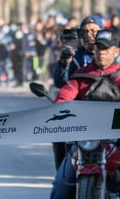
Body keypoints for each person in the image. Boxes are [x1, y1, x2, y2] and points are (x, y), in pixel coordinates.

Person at [50, 29, 120, 199]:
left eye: (106, 48)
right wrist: (57, 110)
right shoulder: (82, 75)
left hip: (117, 142)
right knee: (60, 187)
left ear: (116, 51)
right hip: (84, 143)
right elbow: (65, 97)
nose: (101, 53)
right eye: (98, 48)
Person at [51, 14, 105, 171]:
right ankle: (62, 172)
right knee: (58, 135)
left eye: (95, 32)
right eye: (86, 31)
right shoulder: (73, 56)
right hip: (79, 114)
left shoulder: (115, 59)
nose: (90, 36)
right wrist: (63, 64)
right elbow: (62, 84)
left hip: (106, 115)